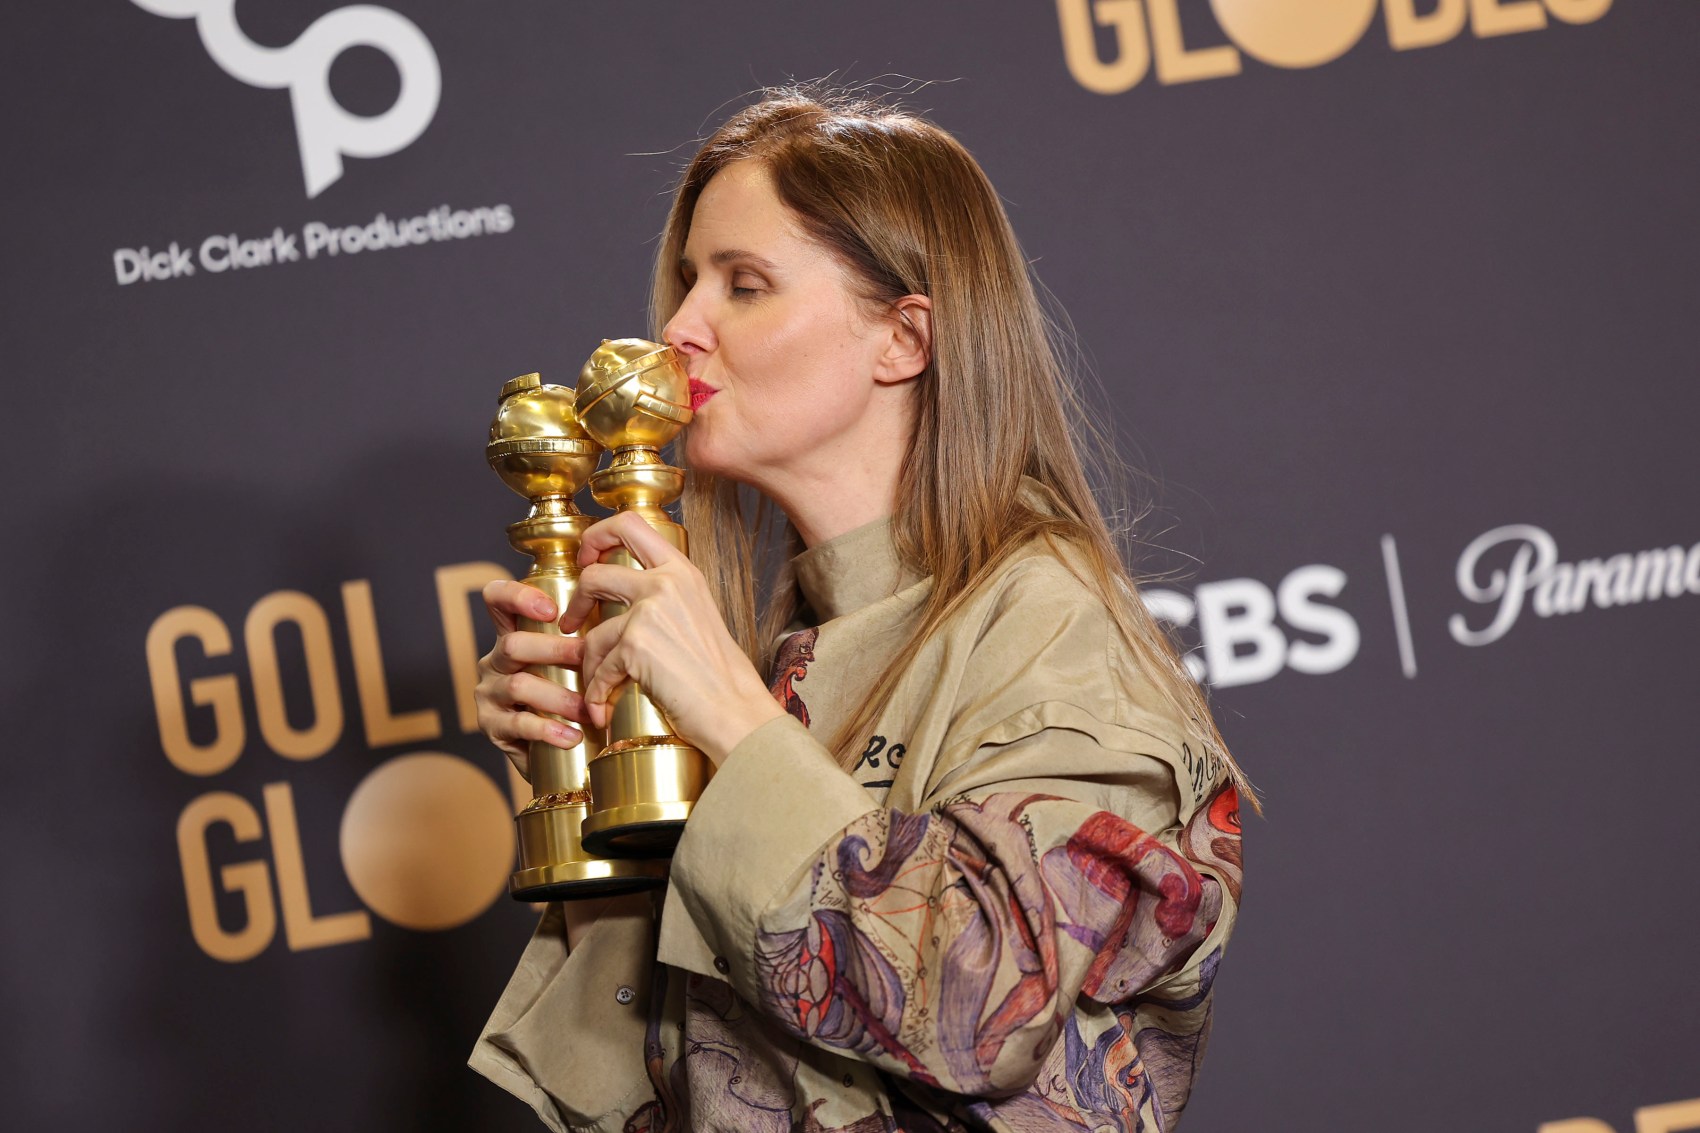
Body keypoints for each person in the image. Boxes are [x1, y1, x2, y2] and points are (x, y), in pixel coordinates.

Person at [467, 86, 1252, 1133]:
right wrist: (592, 789)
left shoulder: (1051, 625)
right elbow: (683, 1084)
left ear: (902, 338)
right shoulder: (785, 649)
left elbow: (981, 1004)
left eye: (743, 286)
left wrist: (732, 727)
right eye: (690, 281)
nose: (678, 329)